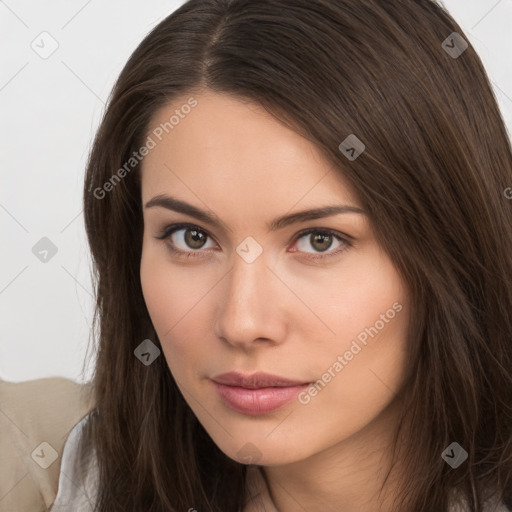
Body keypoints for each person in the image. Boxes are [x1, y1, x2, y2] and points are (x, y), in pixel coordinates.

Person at [32, 0, 512, 510]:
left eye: (319, 240)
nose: (242, 323)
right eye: (191, 237)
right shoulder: (31, 463)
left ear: (452, 248)